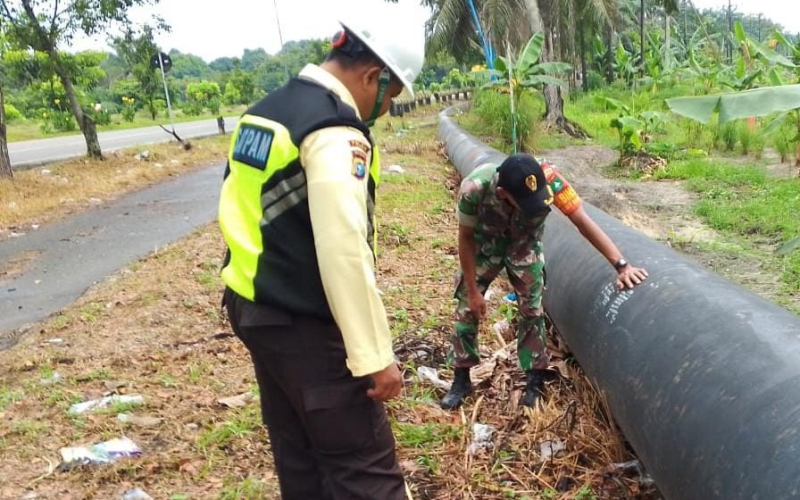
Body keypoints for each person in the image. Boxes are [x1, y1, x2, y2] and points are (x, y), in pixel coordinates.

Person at [217, 16, 424, 500]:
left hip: (253, 309)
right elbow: (343, 249)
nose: (384, 107)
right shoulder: (334, 129)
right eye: (390, 96)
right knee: (365, 468)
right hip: (305, 326)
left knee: (302, 461)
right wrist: (374, 356)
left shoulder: (266, 113)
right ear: (374, 75)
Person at [441, 154, 649, 410]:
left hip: (524, 244)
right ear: (503, 193)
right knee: (465, 308)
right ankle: (461, 378)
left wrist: (621, 265)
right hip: (486, 245)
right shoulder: (474, 188)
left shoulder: (550, 179)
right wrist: (473, 292)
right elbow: (466, 239)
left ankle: (535, 378)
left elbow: (582, 221)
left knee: (532, 309)